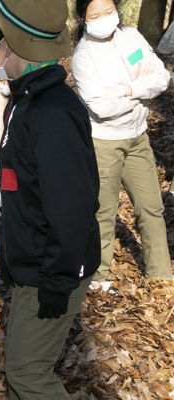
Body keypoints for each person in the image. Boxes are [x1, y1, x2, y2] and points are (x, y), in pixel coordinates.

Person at [0, 0, 101, 398]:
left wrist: (57, 281)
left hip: (51, 270)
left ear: (10, 44)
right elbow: (23, 184)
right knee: (20, 372)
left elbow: (72, 206)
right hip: (32, 264)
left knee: (28, 373)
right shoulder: (24, 102)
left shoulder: (53, 112)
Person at [71, 0, 172, 290]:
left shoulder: (131, 36)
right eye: (95, 15)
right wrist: (143, 91)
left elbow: (162, 76)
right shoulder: (84, 56)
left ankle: (160, 272)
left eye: (108, 11)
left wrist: (125, 90)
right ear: (82, 19)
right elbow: (101, 108)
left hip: (139, 136)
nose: (104, 19)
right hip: (104, 141)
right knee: (104, 210)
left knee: (151, 206)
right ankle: (99, 275)